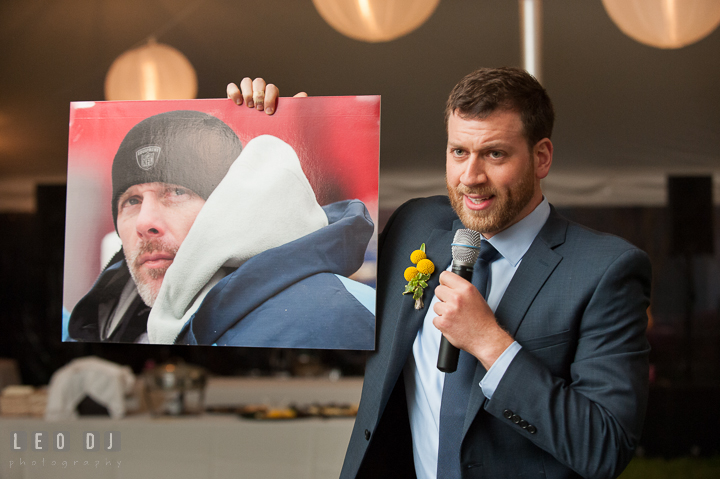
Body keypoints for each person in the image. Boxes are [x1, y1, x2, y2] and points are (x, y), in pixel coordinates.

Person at [235, 68, 651, 478]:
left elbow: (605, 448)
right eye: (459, 152)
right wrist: (292, 134)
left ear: (541, 157)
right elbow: (326, 284)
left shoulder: (605, 270)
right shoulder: (416, 224)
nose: (470, 178)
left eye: (495, 154)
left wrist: (490, 343)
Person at [68, 107, 376, 349]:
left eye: (175, 192)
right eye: (131, 201)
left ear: (226, 209)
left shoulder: (333, 313)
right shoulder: (106, 323)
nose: (145, 222)